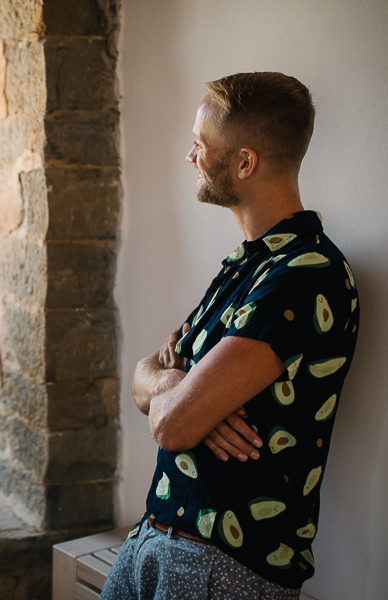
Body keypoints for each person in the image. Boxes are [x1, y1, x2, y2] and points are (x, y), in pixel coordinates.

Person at [100, 72, 359, 599]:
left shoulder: (305, 274)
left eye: (200, 145)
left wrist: (187, 404)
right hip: (155, 537)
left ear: (245, 162)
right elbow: (143, 377)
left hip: (223, 568)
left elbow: (170, 425)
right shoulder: (245, 265)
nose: (190, 157)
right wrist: (187, 387)